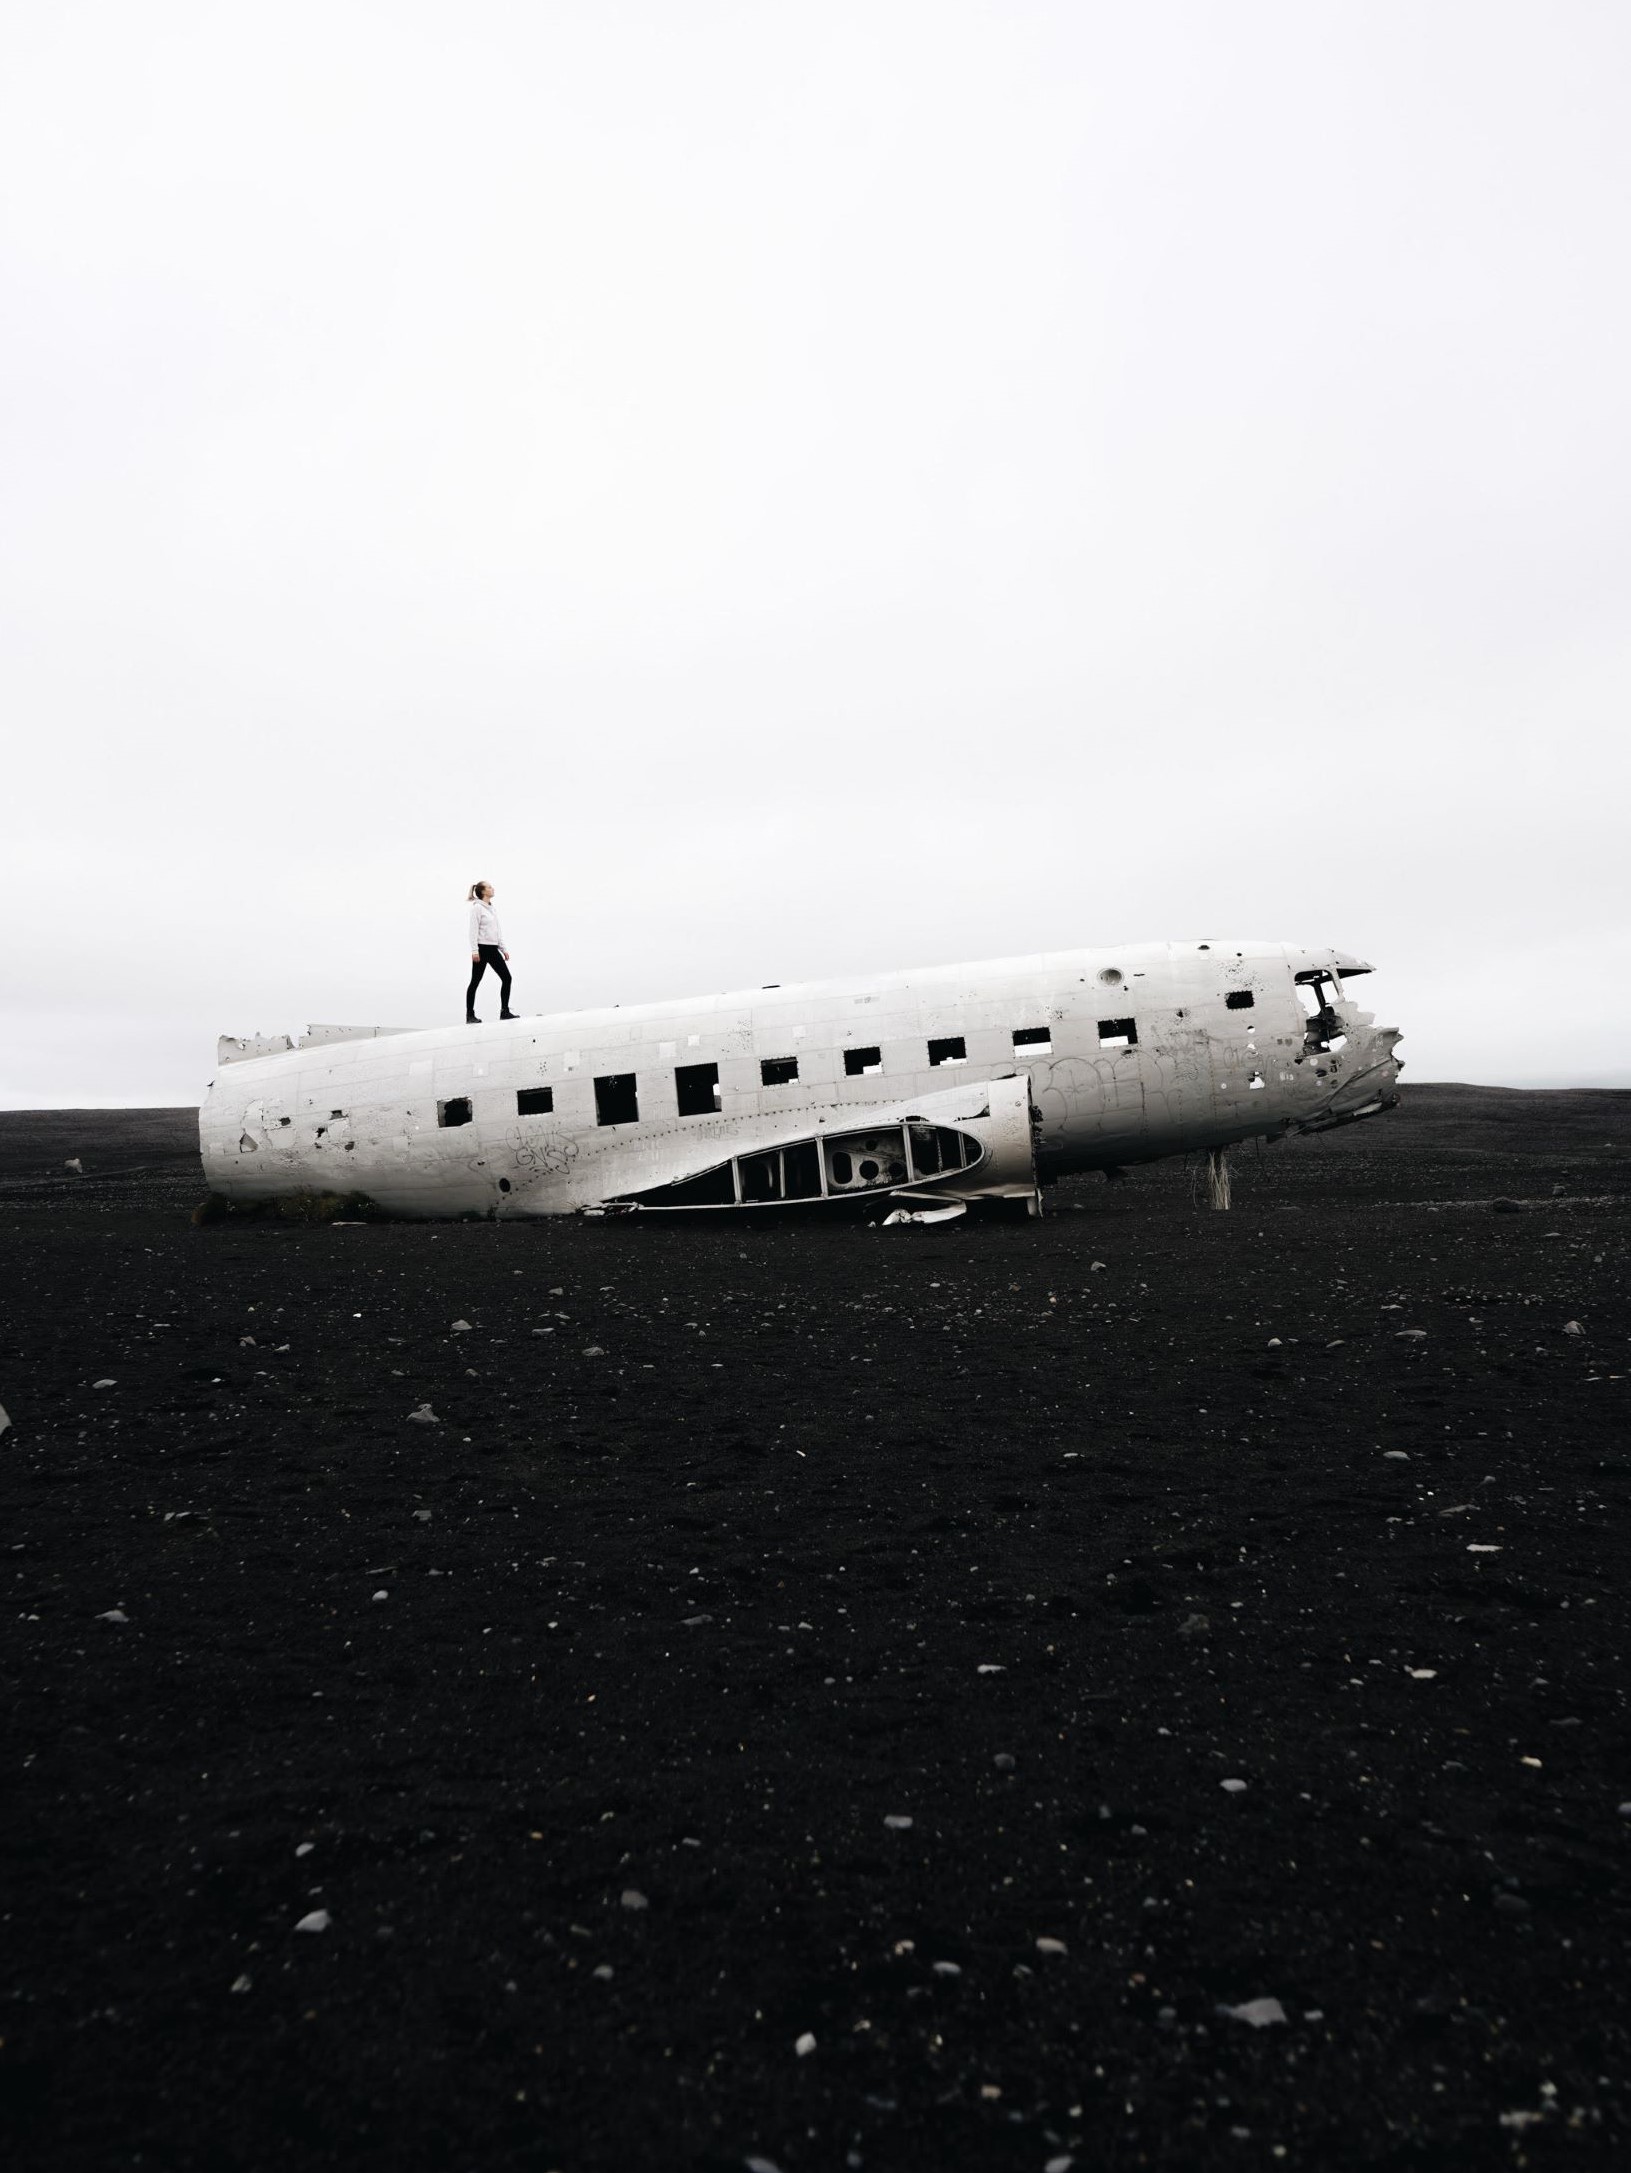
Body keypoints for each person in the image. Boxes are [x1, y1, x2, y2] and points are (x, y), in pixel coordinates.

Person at [466, 881, 516, 1023]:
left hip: (493, 949)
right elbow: (473, 931)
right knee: (475, 981)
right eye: (489, 887)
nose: (492, 889)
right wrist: (475, 950)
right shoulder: (477, 908)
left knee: (507, 978)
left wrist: (503, 948)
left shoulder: (491, 909)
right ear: (483, 891)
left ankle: (504, 1011)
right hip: (481, 950)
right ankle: (470, 1015)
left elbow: (497, 931)